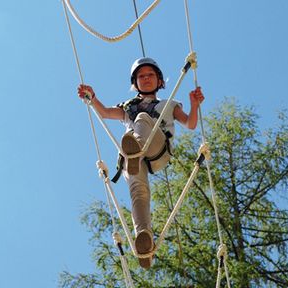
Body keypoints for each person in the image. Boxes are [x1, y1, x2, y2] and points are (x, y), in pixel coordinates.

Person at [77, 57, 204, 269]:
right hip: (132, 158)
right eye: (141, 76)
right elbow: (106, 113)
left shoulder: (169, 104)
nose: (146, 79)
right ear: (135, 83)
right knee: (138, 191)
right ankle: (144, 240)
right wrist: (93, 98)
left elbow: (190, 124)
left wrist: (194, 105)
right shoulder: (128, 107)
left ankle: (135, 149)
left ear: (160, 81)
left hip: (156, 148)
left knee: (143, 118)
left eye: (150, 75)